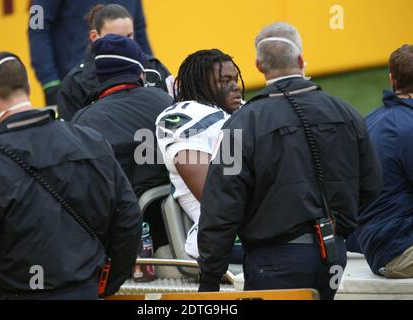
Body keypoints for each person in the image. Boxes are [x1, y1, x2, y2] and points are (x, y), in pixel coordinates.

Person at [196, 22, 382, 299]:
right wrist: (337, 227)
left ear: (259, 65)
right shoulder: (347, 112)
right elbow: (371, 186)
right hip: (333, 256)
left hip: (273, 262)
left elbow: (221, 206)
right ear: (300, 60)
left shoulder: (240, 125)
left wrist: (210, 278)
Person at [0, 52, 142, 299]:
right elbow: (129, 220)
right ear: (27, 88)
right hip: (85, 293)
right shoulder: (90, 142)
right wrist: (106, 284)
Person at [72, 34, 173, 248]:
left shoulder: (83, 121)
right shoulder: (169, 103)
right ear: (139, 71)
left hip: (114, 242)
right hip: (175, 230)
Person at [155, 49, 244, 260]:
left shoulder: (242, 111)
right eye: (225, 80)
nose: (235, 86)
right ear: (203, 84)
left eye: (235, 79)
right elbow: (215, 198)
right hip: (227, 234)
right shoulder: (183, 117)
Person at [346, 45, 413, 279]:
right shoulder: (408, 126)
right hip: (401, 251)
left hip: (378, 245)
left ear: (392, 79)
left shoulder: (368, 122)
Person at [57, 4, 171, 121]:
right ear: (94, 36)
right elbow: (70, 134)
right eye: (115, 37)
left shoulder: (154, 68)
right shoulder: (75, 83)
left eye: (129, 36)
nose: (125, 43)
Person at [28, 0, 154, 106]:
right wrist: (49, 82)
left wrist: (150, 71)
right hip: (76, 90)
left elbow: (139, 30)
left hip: (130, 84)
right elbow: (37, 26)